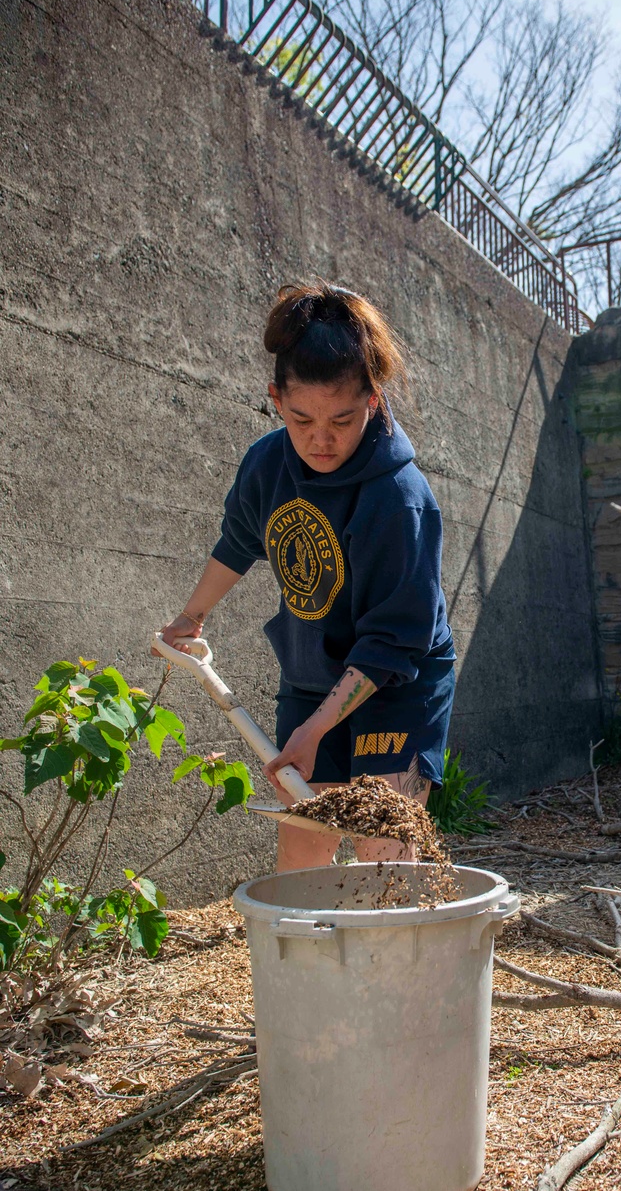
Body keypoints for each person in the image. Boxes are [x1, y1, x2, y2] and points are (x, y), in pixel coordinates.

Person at [159, 281, 456, 870]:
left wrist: (320, 727)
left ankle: (399, 959)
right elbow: (240, 541)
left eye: (341, 420)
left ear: (373, 399)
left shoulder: (399, 500)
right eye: (301, 419)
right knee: (304, 855)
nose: (321, 439)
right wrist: (192, 616)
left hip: (395, 682)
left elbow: (391, 643)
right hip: (311, 671)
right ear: (276, 400)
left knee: (384, 856)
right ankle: (308, 959)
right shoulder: (269, 464)